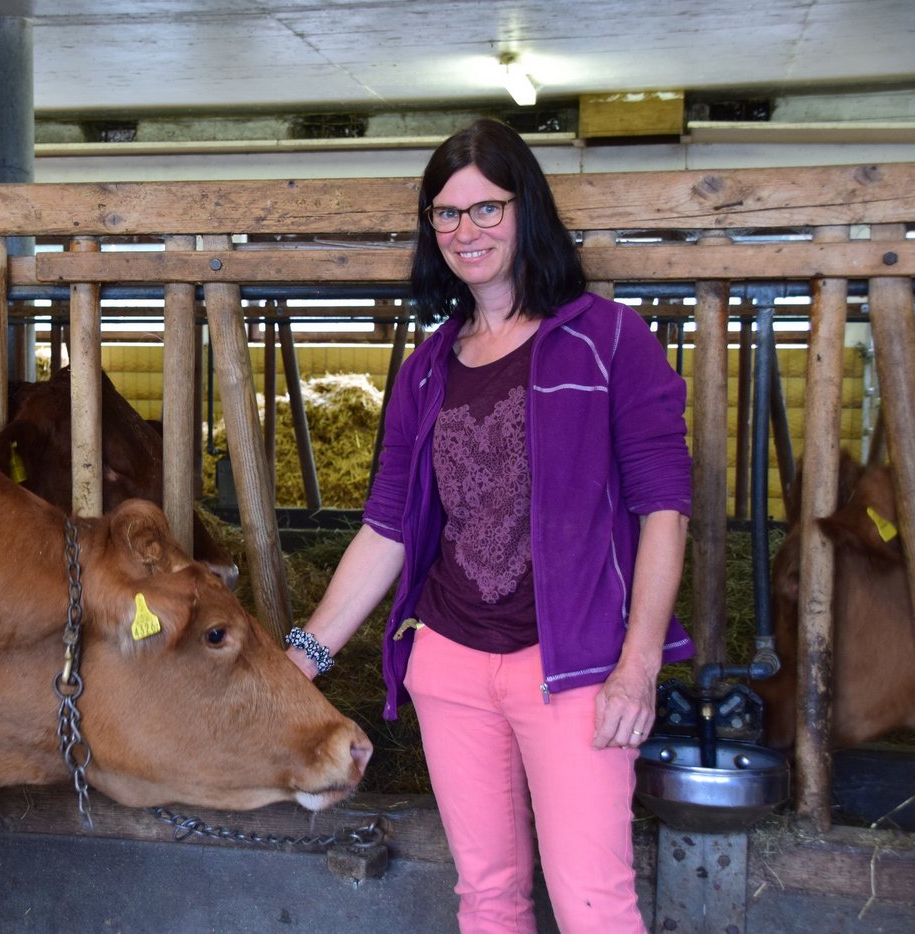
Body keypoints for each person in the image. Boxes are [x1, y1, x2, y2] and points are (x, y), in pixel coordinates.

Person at [284, 118, 694, 933]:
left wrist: (638, 665)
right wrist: (303, 656)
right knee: (489, 896)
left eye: (486, 209)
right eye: (446, 214)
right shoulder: (427, 368)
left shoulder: (610, 340)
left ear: (527, 211)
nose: (465, 231)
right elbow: (387, 530)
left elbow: (663, 509)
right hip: (450, 664)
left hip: (574, 671)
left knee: (593, 906)